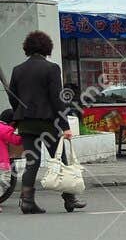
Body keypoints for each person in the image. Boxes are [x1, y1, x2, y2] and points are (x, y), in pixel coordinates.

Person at [7, 31, 84, 214]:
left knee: (31, 162)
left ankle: (27, 201)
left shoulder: (18, 69)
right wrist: (65, 126)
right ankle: (69, 198)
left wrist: (20, 112)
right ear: (47, 47)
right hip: (49, 123)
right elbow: (57, 100)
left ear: (27, 48)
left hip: (26, 123)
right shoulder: (52, 68)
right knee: (60, 160)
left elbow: (13, 96)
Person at [0, 111, 20, 211]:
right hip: (2, 163)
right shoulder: (4, 129)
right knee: (3, 183)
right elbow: (15, 140)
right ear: (12, 123)